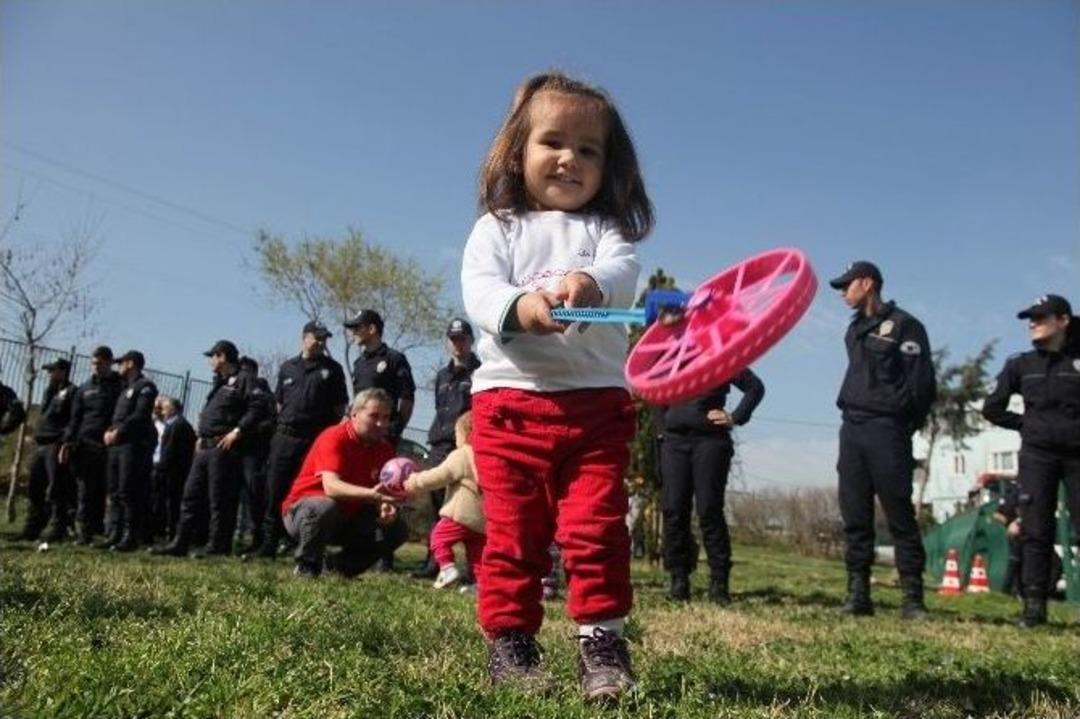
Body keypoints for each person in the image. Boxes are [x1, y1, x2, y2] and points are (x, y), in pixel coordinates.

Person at [461, 71, 653, 699]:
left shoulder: (606, 233)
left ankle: (602, 641)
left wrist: (589, 284)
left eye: (589, 149)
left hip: (595, 409)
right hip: (507, 406)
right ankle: (510, 644)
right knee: (513, 534)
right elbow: (481, 292)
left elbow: (623, 271)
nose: (570, 158)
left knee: (597, 528)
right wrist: (523, 307)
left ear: (608, 166)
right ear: (519, 152)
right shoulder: (498, 226)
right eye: (553, 142)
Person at [830, 261, 937, 620]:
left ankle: (913, 597)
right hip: (853, 429)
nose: (843, 292)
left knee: (899, 513)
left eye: (847, 285)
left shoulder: (906, 326)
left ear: (867, 283)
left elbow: (922, 387)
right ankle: (858, 592)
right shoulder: (854, 330)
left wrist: (902, 423)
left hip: (888, 431)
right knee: (854, 512)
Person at [982, 293, 1080, 628]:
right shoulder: (1020, 364)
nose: (1033, 324)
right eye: (1030, 318)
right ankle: (1034, 608)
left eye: (1040, 317)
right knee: (1036, 530)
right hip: (1037, 456)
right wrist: (1027, 425)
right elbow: (992, 407)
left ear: (1063, 321)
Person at [152, 340, 267, 558]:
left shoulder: (245, 379)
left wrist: (238, 431)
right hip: (204, 447)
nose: (210, 362)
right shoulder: (219, 383)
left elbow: (257, 407)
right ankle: (180, 542)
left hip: (222, 449)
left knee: (219, 499)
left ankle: (218, 545)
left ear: (222, 356)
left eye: (213, 357)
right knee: (190, 496)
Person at [660, 368, 765, 604]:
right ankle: (678, 578)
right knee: (674, 509)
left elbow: (755, 388)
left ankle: (718, 581)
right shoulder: (671, 360)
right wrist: (662, 429)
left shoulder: (721, 359)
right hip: (674, 442)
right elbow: (655, 396)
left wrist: (735, 416)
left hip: (710, 442)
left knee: (709, 509)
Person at [280, 388, 406, 578]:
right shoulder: (334, 437)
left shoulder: (385, 449)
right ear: (354, 414)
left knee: (396, 528)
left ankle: (338, 569)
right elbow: (332, 487)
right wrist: (373, 495)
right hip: (304, 512)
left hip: (348, 516)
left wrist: (386, 505)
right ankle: (307, 566)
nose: (381, 423)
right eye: (374, 416)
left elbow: (382, 490)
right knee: (324, 506)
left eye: (386, 417)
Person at [249, 321, 348, 559]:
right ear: (304, 337)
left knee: (307, 493)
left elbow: (339, 408)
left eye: (325, 339)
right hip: (285, 437)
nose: (321, 342)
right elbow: (280, 402)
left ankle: (298, 542)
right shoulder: (287, 367)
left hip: (314, 440)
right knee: (275, 489)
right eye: (317, 337)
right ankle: (268, 543)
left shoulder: (332, 370)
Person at [344, 308, 416, 572]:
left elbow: (406, 398)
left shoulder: (395, 359)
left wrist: (394, 429)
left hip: (383, 439)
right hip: (359, 440)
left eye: (357, 327)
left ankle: (385, 556)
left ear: (372, 328)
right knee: (362, 490)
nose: (353, 332)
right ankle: (360, 548)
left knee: (385, 492)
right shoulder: (359, 363)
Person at [412, 317, 482, 580]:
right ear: (447, 342)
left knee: (467, 507)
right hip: (440, 443)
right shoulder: (442, 375)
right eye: (453, 339)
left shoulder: (480, 371)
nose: (458, 344)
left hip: (464, 446)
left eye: (462, 338)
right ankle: (437, 562)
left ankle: (471, 567)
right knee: (437, 504)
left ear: (470, 340)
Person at [402, 412, 484, 591]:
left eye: (456, 435)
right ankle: (481, 585)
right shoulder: (486, 458)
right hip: (480, 521)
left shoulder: (461, 455)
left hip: (459, 515)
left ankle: (447, 568)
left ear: (465, 433)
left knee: (438, 538)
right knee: (477, 553)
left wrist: (415, 481)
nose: (455, 439)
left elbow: (438, 476)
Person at [60, 345, 122, 545]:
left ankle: (108, 531)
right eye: (93, 363)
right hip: (86, 444)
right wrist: (68, 442)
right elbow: (75, 418)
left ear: (109, 363)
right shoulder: (84, 388)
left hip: (110, 445)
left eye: (100, 363)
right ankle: (84, 532)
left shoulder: (119, 386)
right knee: (85, 490)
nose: (95, 367)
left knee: (109, 490)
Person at [102, 350, 159, 551]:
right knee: (114, 490)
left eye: (121, 363)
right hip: (116, 444)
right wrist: (110, 431)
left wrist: (120, 430)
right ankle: (114, 533)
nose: (118, 367)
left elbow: (140, 415)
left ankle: (130, 535)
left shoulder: (146, 387)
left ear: (131, 363)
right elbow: (117, 415)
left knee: (128, 490)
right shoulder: (124, 388)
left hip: (132, 445)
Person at [22, 358, 76, 542]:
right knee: (34, 486)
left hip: (56, 444)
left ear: (63, 371)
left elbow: (73, 420)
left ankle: (57, 526)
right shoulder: (50, 391)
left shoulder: (72, 392)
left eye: (53, 370)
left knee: (55, 488)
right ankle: (33, 526)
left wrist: (65, 443)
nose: (49, 374)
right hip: (41, 444)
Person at [236, 355, 277, 554]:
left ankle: (256, 536)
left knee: (253, 494)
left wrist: (248, 430)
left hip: (254, 450)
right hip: (236, 448)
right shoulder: (234, 390)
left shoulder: (263, 393)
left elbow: (270, 421)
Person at [154, 397, 197, 542]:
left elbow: (170, 450)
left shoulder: (177, 426)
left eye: (165, 409)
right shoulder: (177, 425)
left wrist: (161, 467)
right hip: (174, 470)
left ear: (172, 409)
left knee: (172, 503)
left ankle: (171, 533)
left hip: (173, 471)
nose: (163, 412)